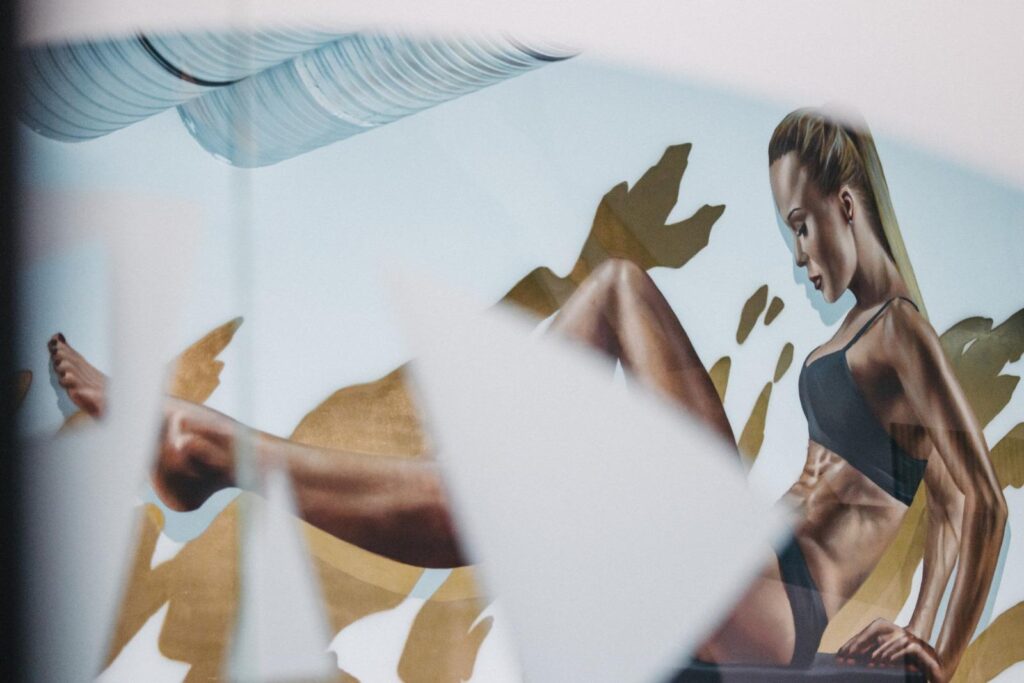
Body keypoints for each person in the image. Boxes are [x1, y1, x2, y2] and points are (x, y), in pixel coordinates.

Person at [47, 108, 1005, 681]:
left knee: (607, 318)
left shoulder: (898, 329)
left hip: (775, 603)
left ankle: (208, 448)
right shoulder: (862, 336)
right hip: (748, 568)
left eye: (800, 224)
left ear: (848, 205)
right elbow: (943, 502)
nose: (798, 254)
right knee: (583, 355)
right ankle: (216, 451)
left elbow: (978, 499)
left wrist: (936, 643)